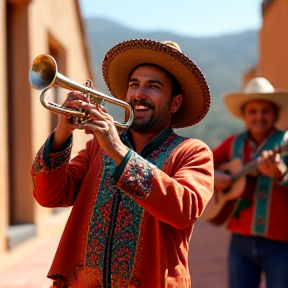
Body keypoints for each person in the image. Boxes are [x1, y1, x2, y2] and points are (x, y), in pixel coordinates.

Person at [31, 39, 214, 288]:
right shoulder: (97, 146)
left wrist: (118, 150)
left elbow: (184, 210)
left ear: (175, 103)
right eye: (134, 85)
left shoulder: (193, 152)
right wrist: (62, 132)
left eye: (153, 86)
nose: (139, 94)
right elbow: (49, 195)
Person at [212, 77, 288, 288]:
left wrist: (279, 173)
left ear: (275, 114)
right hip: (240, 241)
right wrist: (215, 178)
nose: (259, 117)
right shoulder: (232, 143)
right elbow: (203, 167)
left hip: (282, 242)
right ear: (244, 115)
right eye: (253, 111)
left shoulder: (284, 142)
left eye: (265, 111)